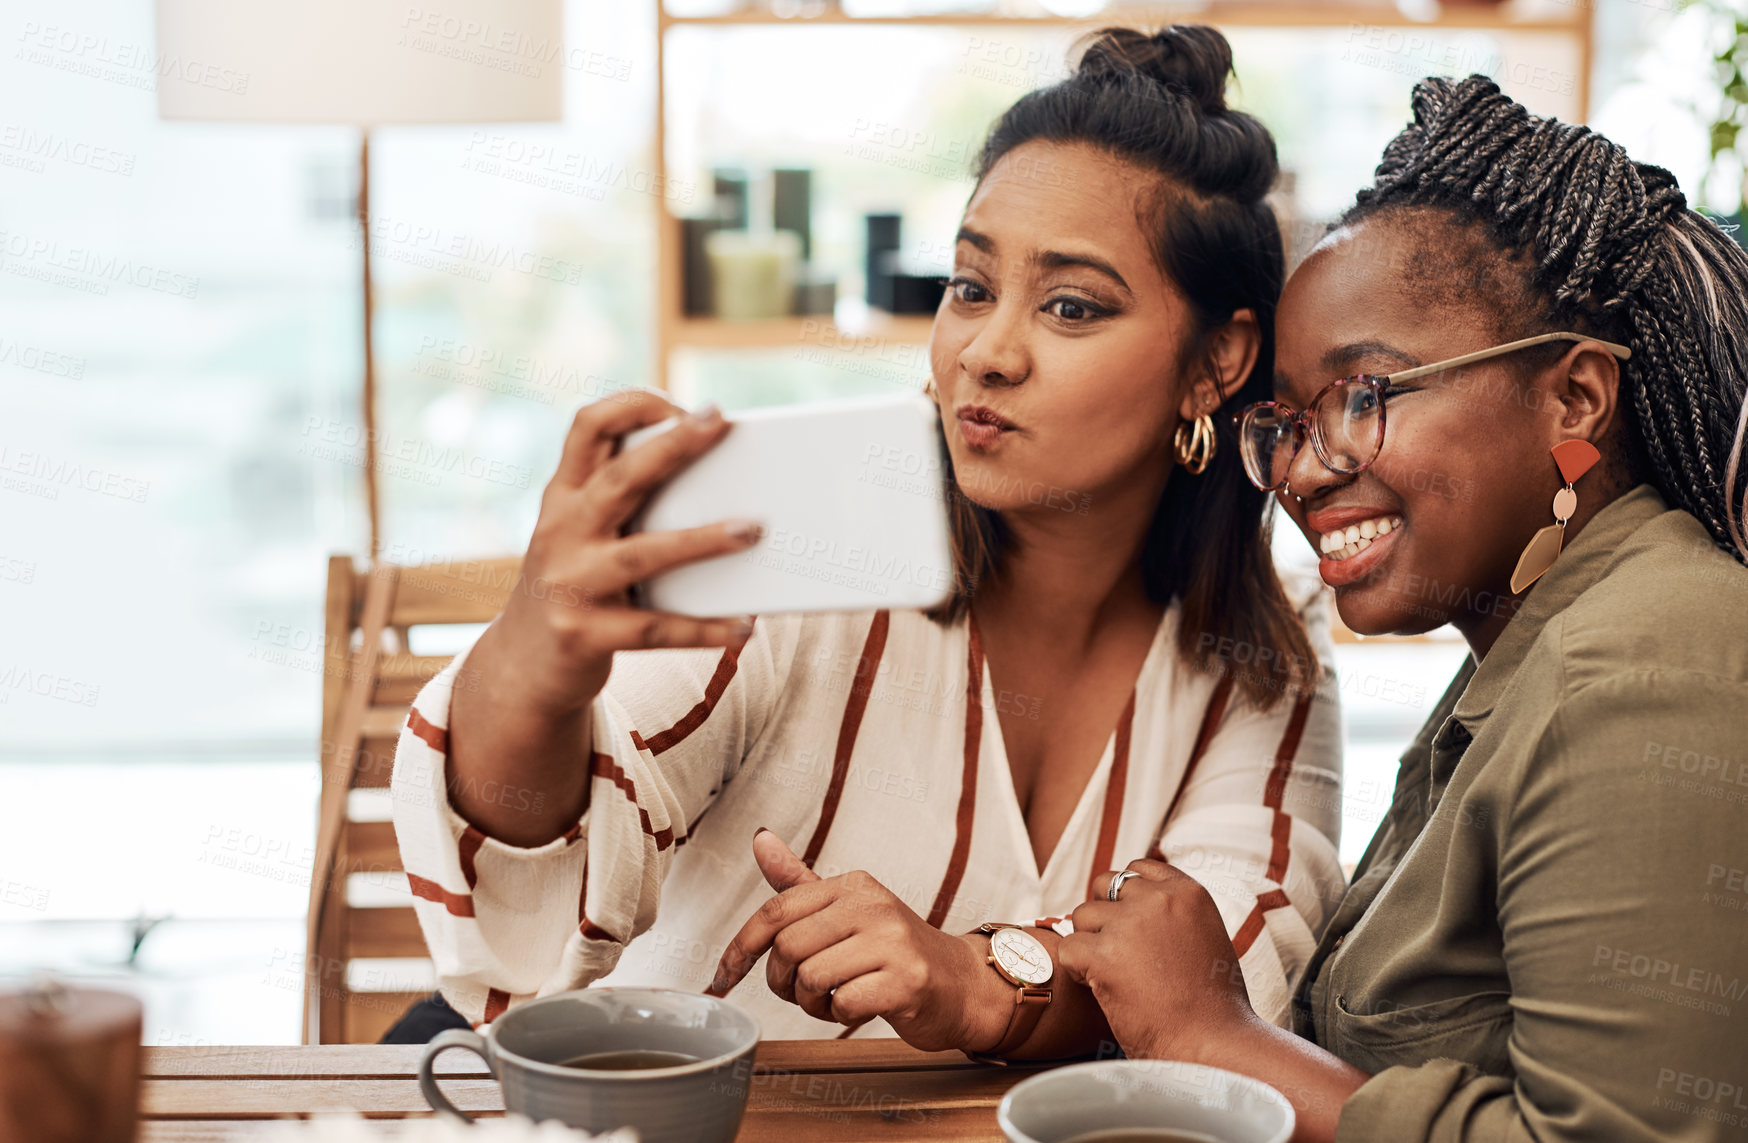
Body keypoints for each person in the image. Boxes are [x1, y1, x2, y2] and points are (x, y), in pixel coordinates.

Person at [388, 25, 1345, 1055]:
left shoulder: (1266, 655)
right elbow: (570, 829)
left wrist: (978, 981)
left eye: (1069, 306)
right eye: (969, 287)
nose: (983, 352)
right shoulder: (813, 528)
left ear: (1217, 360)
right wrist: (538, 666)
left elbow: (1227, 988)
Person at [1057, 74, 1748, 1141]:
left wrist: (1214, 1037)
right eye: (1285, 420)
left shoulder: (1638, 676)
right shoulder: (1526, 640)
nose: (1303, 467)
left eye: (1363, 396)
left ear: (1571, 398)